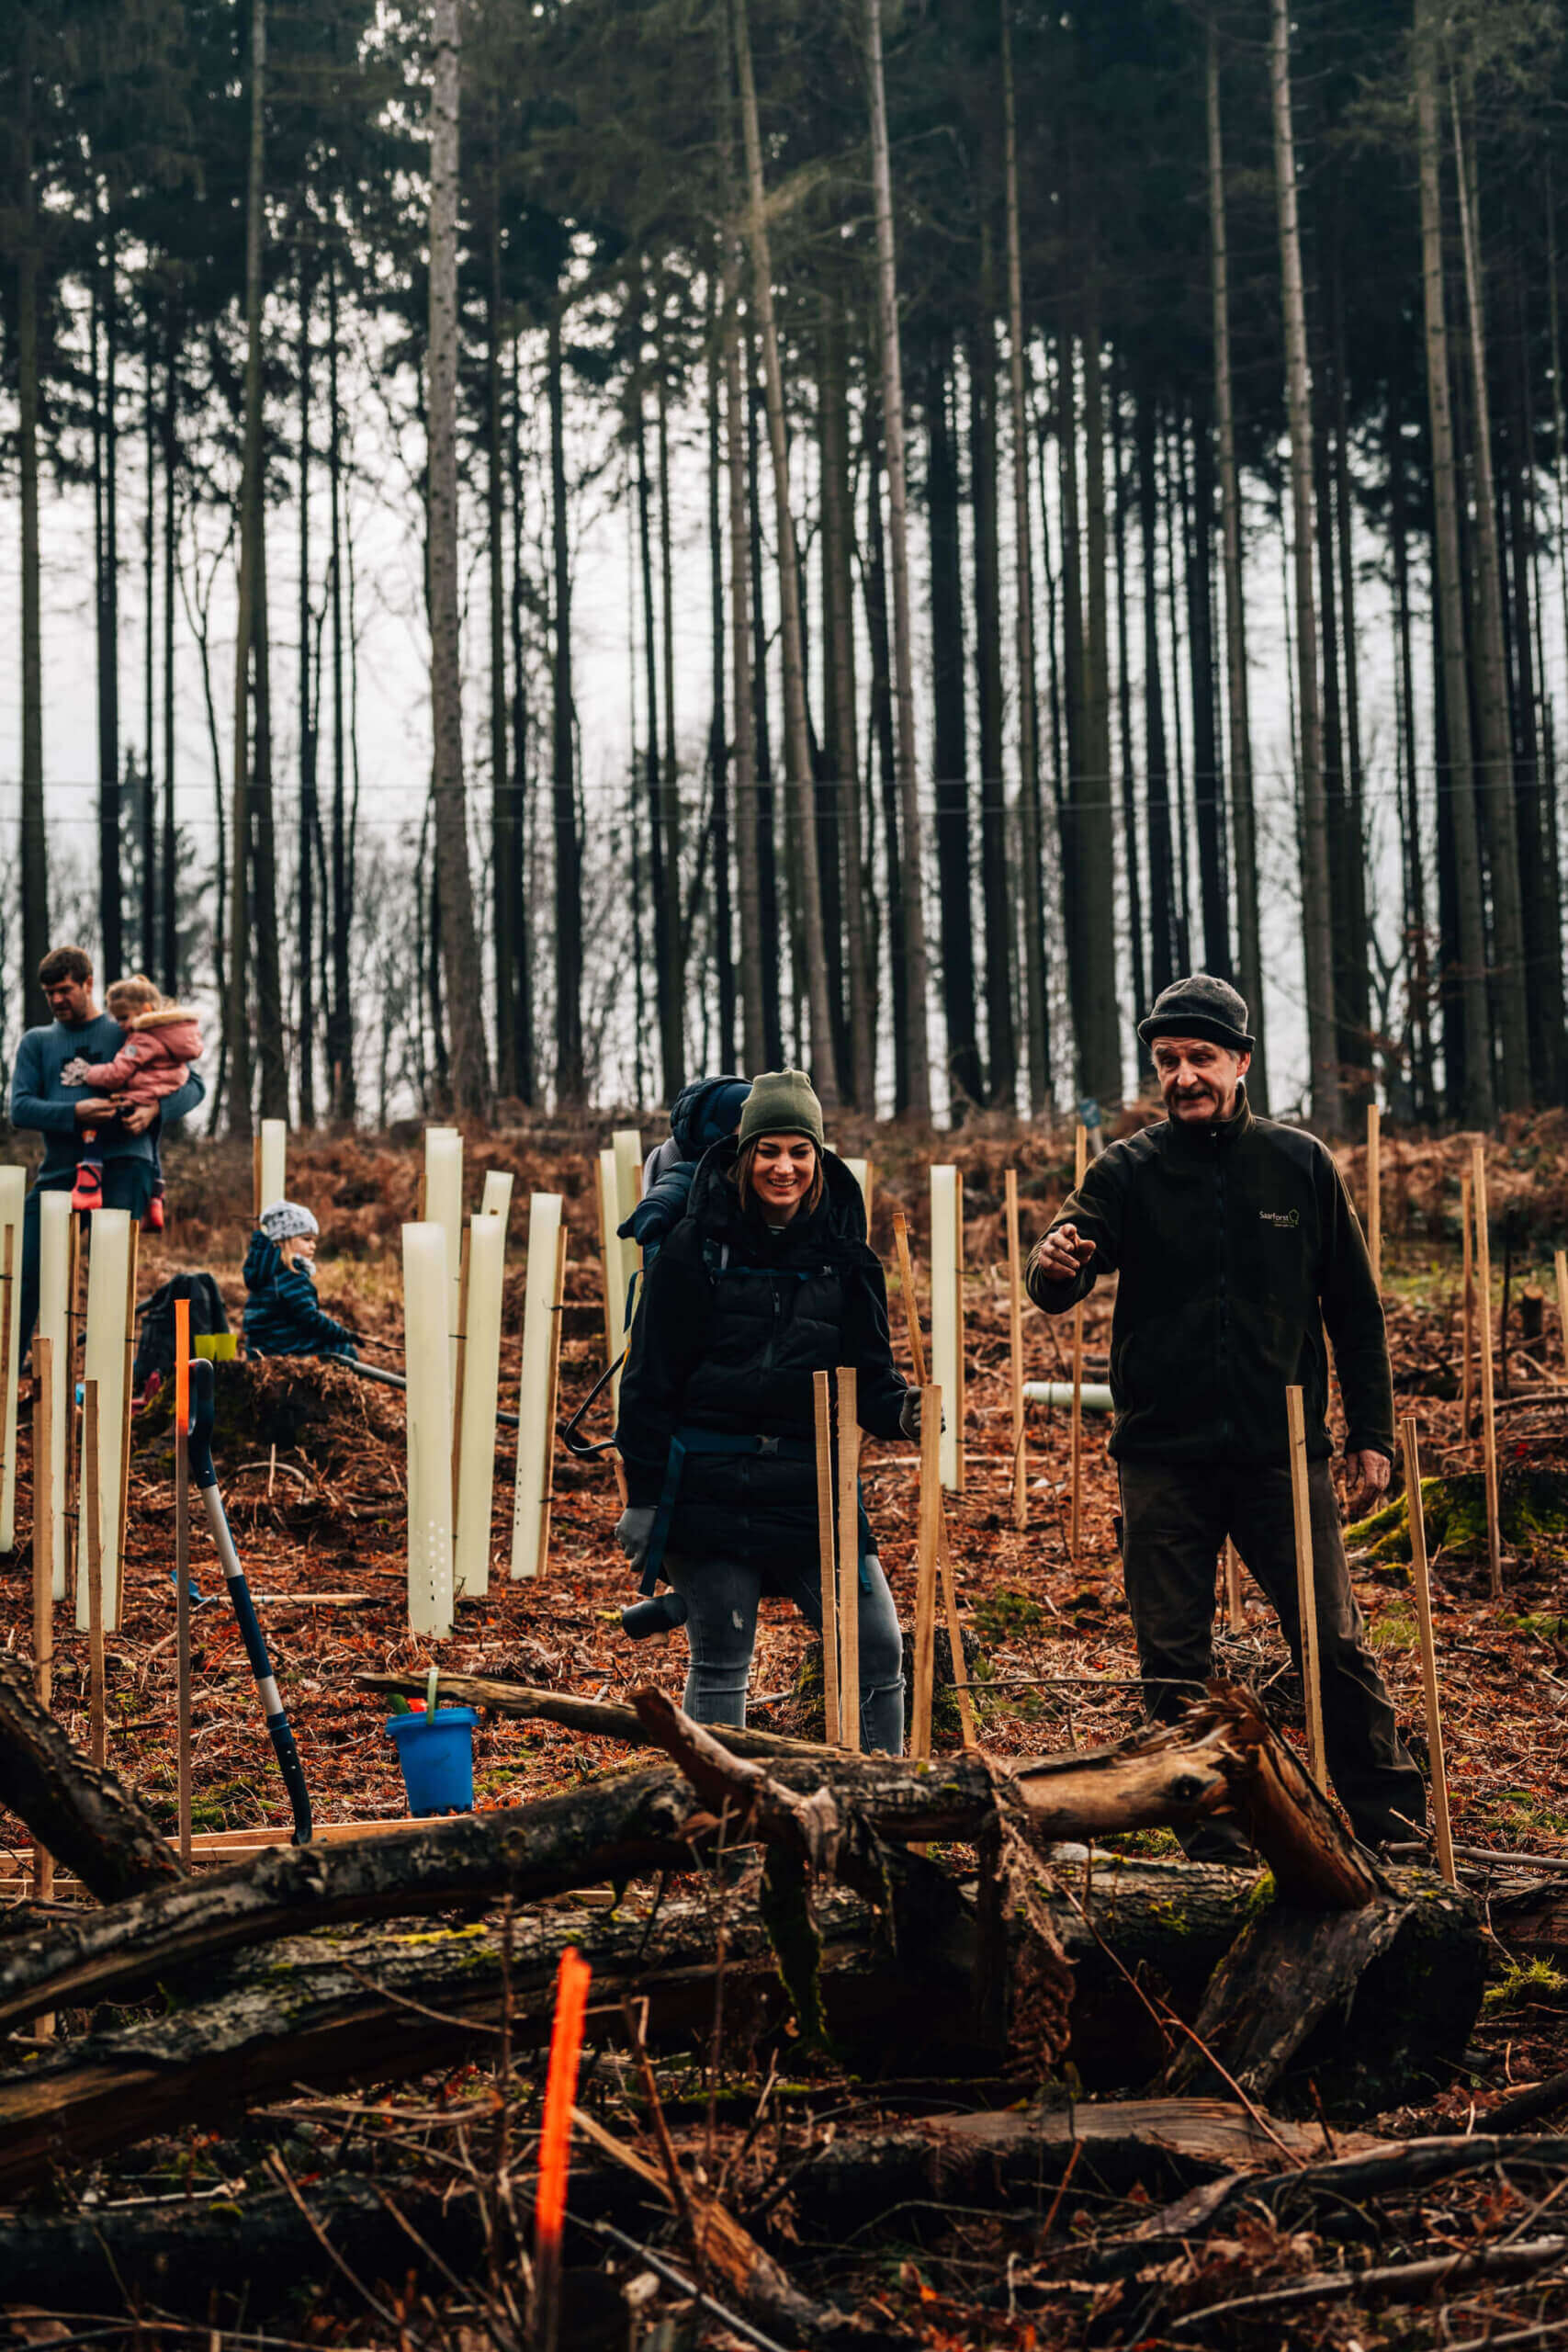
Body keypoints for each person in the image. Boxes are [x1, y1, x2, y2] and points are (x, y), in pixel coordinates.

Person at [1026, 974, 1425, 1860]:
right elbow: (1057, 1275)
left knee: (1331, 1640)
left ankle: (1387, 1817)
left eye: (1200, 1057)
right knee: (1172, 1659)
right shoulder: (1126, 1171)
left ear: (1240, 1062)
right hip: (1160, 1456)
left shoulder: (1298, 1166)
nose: (1183, 1075)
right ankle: (1209, 1835)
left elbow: (1354, 1313)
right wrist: (1054, 1264)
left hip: (1280, 1454)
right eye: (1167, 1061)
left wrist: (1367, 1436)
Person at [614, 1069, 919, 1750]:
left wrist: (904, 1413)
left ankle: (884, 1801)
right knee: (722, 1659)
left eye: (798, 1151)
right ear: (744, 1154)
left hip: (813, 1489)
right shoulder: (695, 1248)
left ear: (818, 1158)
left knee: (877, 1649)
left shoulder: (847, 1257)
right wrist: (643, 1498)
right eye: (768, 1150)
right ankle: (722, 1820)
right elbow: (647, 1385)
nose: (783, 1167)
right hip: (706, 1481)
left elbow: (870, 1379)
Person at [12, 945, 206, 1355]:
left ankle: (106, 1378)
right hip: (60, 1172)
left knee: (110, 1278)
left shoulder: (126, 1028)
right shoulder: (37, 1042)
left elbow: (192, 1085)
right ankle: (16, 1363)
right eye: (49, 993)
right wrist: (75, 1112)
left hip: (124, 1164)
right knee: (27, 1268)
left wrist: (156, 1109)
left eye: (65, 989)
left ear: (88, 983)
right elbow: (20, 1107)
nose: (57, 1000)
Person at [60, 975, 204, 1220]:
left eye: (124, 1018)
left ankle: (90, 1169)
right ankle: (157, 1194)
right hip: (148, 1103)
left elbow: (195, 1085)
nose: (121, 1025)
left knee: (95, 1125)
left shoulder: (142, 1037)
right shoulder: (171, 1035)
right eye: (118, 1019)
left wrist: (88, 1073)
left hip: (133, 1128)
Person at [243, 1201, 359, 1362]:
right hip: (281, 1349)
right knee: (344, 1351)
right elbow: (311, 1318)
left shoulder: (267, 1271)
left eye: (313, 1240)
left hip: (260, 1348)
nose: (313, 1246)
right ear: (285, 1240)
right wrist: (343, 1334)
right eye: (307, 1239)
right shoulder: (290, 1276)